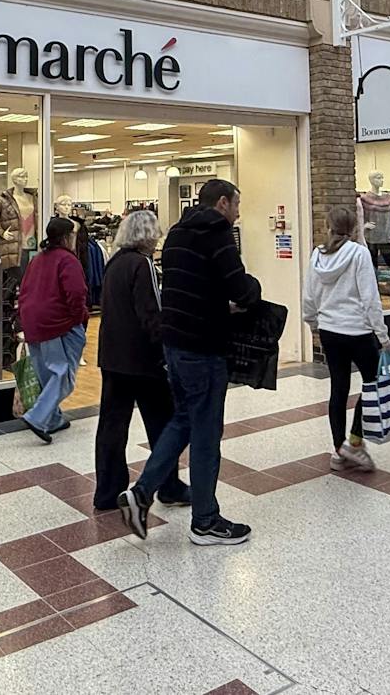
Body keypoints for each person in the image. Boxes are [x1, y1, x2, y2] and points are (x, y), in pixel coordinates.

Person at [119, 179, 258, 547]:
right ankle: (206, 521)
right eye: (236, 205)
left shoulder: (177, 233)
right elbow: (239, 286)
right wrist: (253, 290)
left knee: (182, 419)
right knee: (207, 434)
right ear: (223, 203)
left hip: (175, 345)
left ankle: (141, 493)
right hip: (204, 347)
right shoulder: (217, 233)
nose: (238, 213)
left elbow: (194, 286)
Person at [93, 208, 190, 511]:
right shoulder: (142, 264)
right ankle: (168, 485)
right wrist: (165, 348)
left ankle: (107, 491)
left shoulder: (114, 263)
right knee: (162, 423)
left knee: (112, 425)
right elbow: (150, 313)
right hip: (143, 360)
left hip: (112, 356)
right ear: (147, 234)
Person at [303, 204, 390, 472]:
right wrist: (382, 334)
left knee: (338, 388)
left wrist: (313, 323)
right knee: (374, 384)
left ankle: (338, 450)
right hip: (358, 331)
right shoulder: (359, 254)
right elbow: (370, 298)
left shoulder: (317, 256)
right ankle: (353, 442)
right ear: (353, 229)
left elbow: (309, 296)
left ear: (328, 227)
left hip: (330, 331)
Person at [16, 216, 89, 444]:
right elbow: (76, 294)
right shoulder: (68, 260)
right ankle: (37, 417)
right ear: (67, 237)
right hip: (57, 323)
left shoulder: (37, 259)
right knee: (62, 374)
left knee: (46, 375)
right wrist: (79, 318)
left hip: (32, 322)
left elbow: (24, 290)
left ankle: (54, 418)